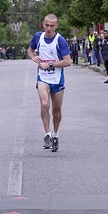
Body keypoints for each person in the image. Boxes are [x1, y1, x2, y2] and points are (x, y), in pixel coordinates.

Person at [27, 14, 72, 152]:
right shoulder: (38, 37)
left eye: (52, 26)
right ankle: (47, 134)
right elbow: (30, 50)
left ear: (56, 26)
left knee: (56, 112)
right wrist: (34, 57)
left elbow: (68, 61)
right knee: (45, 104)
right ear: (43, 24)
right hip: (43, 78)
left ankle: (55, 135)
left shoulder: (60, 40)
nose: (49, 28)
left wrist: (50, 64)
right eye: (46, 25)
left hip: (57, 79)